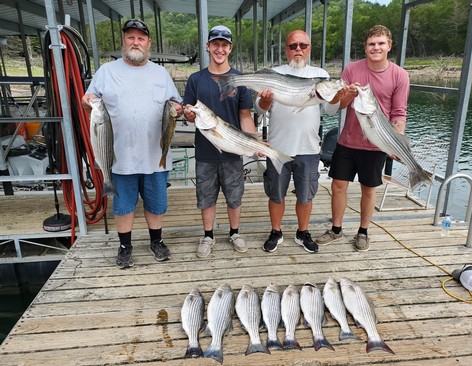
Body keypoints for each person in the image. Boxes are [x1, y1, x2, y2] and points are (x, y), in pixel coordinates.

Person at [82, 19, 183, 268]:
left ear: (148, 43)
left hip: (155, 155)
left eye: (140, 38)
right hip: (119, 156)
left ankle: (156, 242)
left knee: (156, 203)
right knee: (123, 205)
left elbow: (175, 104)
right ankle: (125, 246)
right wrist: (87, 100)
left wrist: (179, 108)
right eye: (131, 37)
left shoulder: (161, 74)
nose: (135, 42)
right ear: (123, 41)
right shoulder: (106, 71)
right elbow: (90, 99)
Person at [316, 24, 410, 251]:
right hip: (347, 141)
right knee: (338, 186)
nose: (375, 47)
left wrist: (396, 142)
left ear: (389, 46)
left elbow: (398, 113)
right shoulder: (351, 69)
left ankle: (363, 232)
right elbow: (340, 106)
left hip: (378, 142)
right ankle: (336, 229)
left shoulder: (400, 75)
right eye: (371, 44)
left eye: (380, 43)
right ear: (365, 47)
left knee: (369, 188)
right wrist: (346, 95)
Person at [255, 30, 347, 254]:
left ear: (309, 48)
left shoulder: (320, 74)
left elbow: (331, 109)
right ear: (286, 49)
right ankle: (276, 231)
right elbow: (259, 107)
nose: (298, 49)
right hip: (278, 147)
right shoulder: (274, 73)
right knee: (276, 193)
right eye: (293, 45)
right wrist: (265, 101)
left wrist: (337, 96)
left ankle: (302, 232)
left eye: (302, 46)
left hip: (308, 148)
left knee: (306, 195)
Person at [183, 25, 256, 258]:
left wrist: (255, 143)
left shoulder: (240, 80)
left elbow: (245, 115)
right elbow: (188, 111)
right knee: (206, 196)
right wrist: (187, 114)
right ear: (208, 46)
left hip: (233, 150)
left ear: (230, 48)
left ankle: (235, 232)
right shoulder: (195, 80)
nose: (219, 49)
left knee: (234, 195)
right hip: (205, 151)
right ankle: (208, 235)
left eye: (224, 45)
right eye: (215, 44)